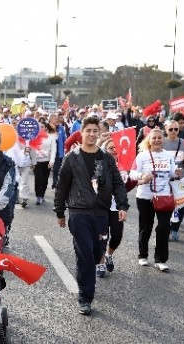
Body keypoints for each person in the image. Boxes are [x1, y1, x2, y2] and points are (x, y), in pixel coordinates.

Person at [54, 116, 129, 315]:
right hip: (79, 213)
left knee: (98, 253)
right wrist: (60, 212)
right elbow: (62, 186)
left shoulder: (106, 158)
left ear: (99, 133)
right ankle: (85, 298)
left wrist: (122, 205)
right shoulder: (72, 158)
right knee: (85, 255)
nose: (92, 134)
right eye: (88, 130)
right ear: (82, 133)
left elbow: (118, 184)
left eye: (95, 131)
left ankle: (92, 275)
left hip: (101, 214)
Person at [130, 128, 182, 273]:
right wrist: (142, 176)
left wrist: (177, 173)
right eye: (154, 138)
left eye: (160, 138)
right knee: (146, 227)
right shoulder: (142, 156)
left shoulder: (168, 155)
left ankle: (161, 260)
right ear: (149, 140)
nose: (157, 140)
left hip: (164, 196)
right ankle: (143, 255)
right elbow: (132, 173)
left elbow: (172, 173)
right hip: (145, 196)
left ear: (163, 139)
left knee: (164, 228)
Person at [95, 139, 129, 278]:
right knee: (102, 237)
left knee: (117, 235)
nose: (114, 150)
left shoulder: (124, 166)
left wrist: (140, 179)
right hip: (101, 206)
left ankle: (109, 254)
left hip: (117, 207)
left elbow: (127, 185)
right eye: (110, 148)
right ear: (105, 151)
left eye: (116, 148)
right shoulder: (99, 165)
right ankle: (100, 262)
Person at [33, 119, 56, 205]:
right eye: (38, 127)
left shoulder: (51, 137)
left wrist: (52, 160)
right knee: (38, 178)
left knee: (45, 179)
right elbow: (31, 148)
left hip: (47, 161)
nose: (40, 128)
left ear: (46, 128)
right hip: (37, 161)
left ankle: (42, 195)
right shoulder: (34, 137)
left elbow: (53, 149)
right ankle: (38, 196)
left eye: (42, 127)